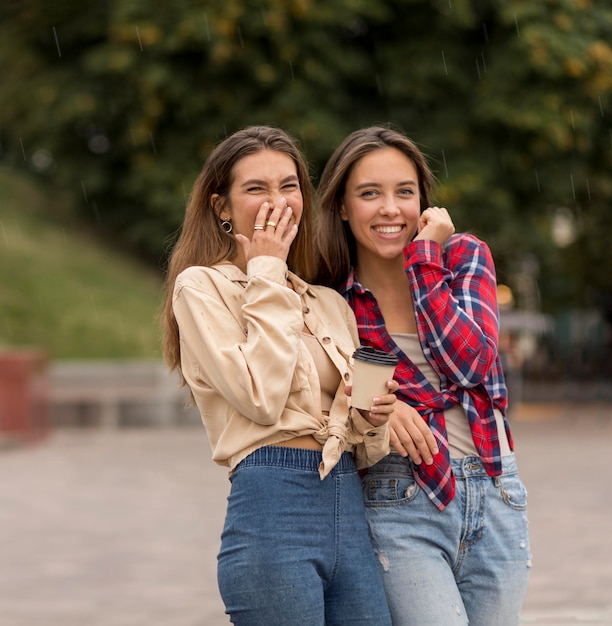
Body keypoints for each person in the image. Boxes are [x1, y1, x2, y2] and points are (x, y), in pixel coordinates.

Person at [161, 125, 397, 625]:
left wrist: (374, 417)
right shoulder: (201, 288)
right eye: (256, 189)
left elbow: (366, 442)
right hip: (272, 507)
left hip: (348, 508)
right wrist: (265, 269)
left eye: (289, 186)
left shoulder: (329, 303)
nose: (278, 202)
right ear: (221, 206)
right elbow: (261, 398)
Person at [314, 125, 531, 626]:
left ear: (424, 203)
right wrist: (391, 410)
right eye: (370, 194)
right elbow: (356, 396)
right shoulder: (334, 301)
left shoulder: (464, 258)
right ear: (344, 207)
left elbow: (471, 362)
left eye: (404, 192)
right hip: (401, 497)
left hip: (497, 488)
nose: (391, 209)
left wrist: (424, 262)